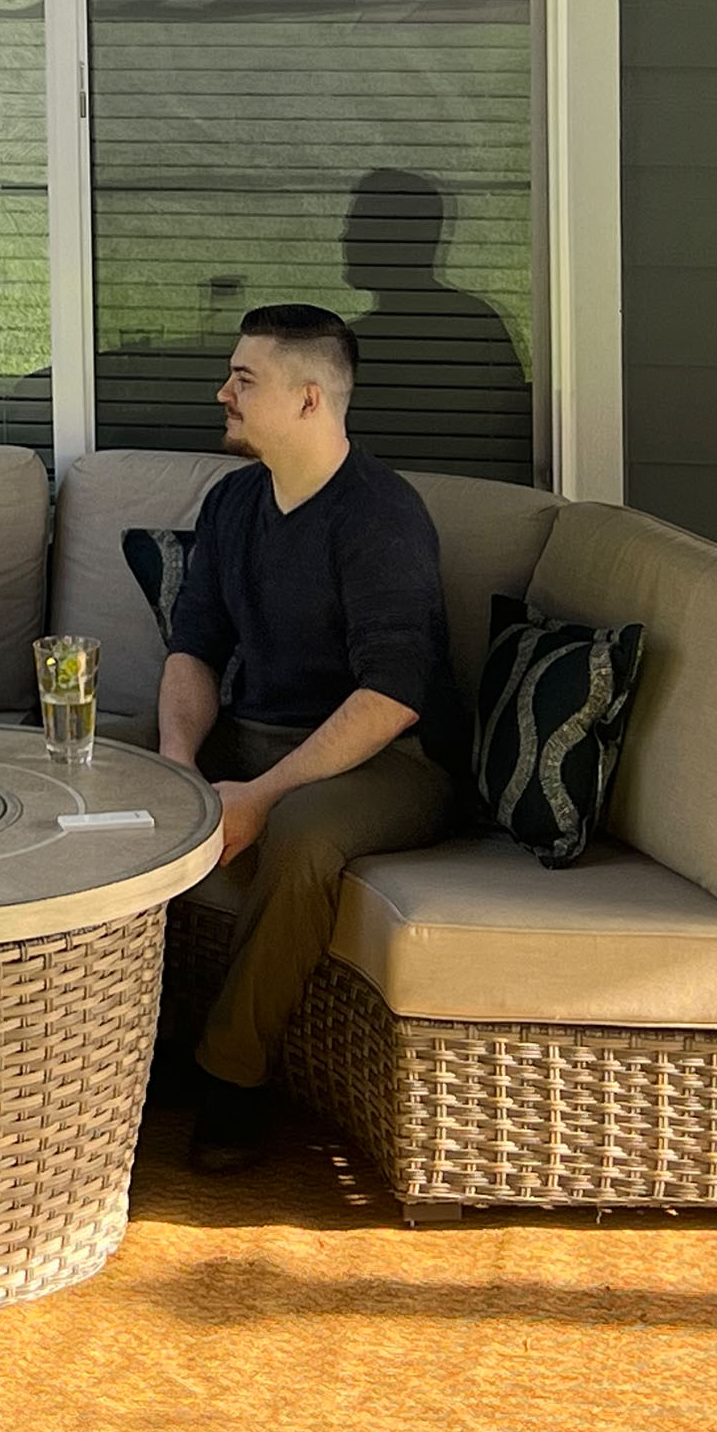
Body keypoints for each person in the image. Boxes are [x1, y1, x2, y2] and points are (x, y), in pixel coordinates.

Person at [157, 301, 462, 1171]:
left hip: (388, 758)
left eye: (243, 380)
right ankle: (123, 1035)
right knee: (114, 772)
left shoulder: (380, 516)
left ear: (308, 399)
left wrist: (259, 797)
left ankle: (231, 1075)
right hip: (253, 732)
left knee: (299, 836)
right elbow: (193, 649)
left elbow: (393, 696)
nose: (222, 394)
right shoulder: (233, 501)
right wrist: (176, 768)